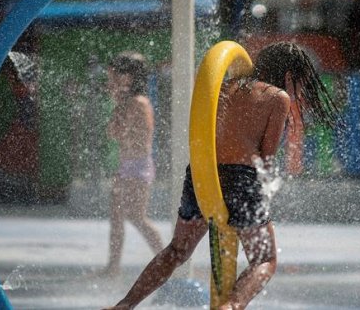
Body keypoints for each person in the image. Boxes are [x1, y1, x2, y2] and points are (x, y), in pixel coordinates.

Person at [103, 42, 339, 310]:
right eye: (301, 85)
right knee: (264, 259)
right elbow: (266, 157)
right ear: (288, 77)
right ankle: (232, 306)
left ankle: (124, 305)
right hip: (241, 177)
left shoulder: (225, 87)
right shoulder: (278, 98)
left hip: (202, 176)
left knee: (177, 251)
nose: (299, 93)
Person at [104, 51, 164, 276]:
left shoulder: (138, 103)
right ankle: (113, 267)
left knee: (136, 217)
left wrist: (116, 101)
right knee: (117, 217)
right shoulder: (128, 101)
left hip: (138, 167)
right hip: (127, 166)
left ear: (127, 77)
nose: (110, 81)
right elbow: (115, 132)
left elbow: (115, 131)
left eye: (113, 76)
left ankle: (168, 260)